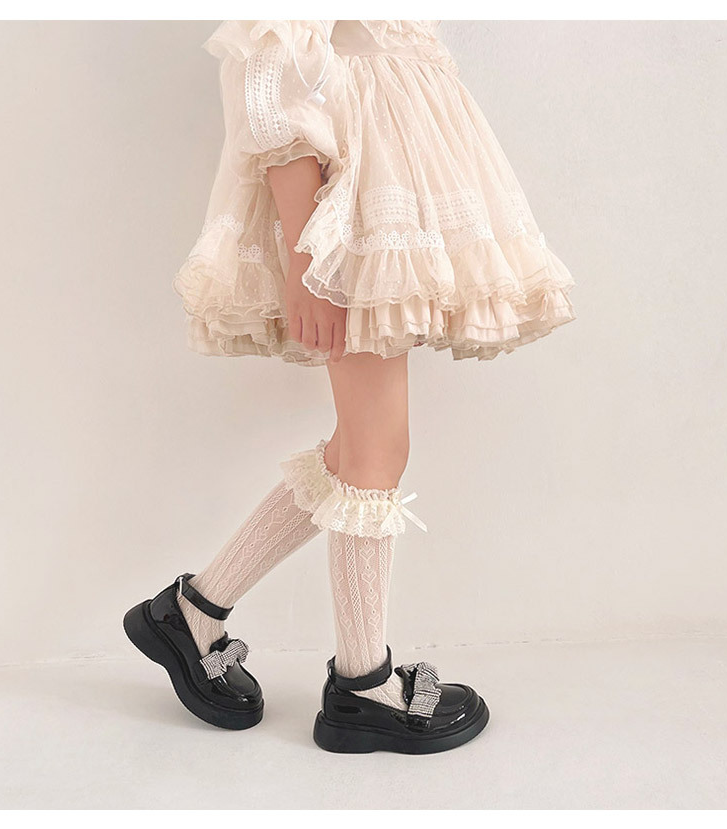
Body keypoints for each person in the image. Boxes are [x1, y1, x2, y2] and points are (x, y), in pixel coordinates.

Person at [123, 19, 575, 754]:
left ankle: (191, 611)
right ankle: (361, 686)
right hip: (352, 208)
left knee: (362, 447)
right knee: (374, 451)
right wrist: (310, 259)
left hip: (386, 194)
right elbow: (272, 71)